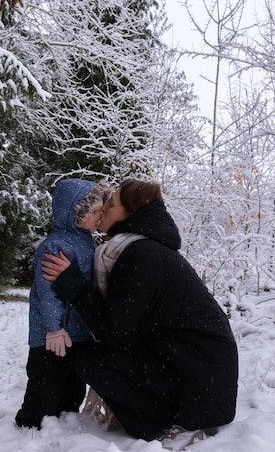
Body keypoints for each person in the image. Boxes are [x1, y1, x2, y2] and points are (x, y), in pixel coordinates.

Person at [41, 178, 239, 450]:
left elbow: (113, 333)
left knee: (91, 359)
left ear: (129, 214)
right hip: (201, 382)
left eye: (111, 203)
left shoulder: (143, 255)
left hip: (199, 393)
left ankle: (165, 425)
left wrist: (74, 285)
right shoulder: (145, 248)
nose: (103, 208)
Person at [15, 177, 114, 430]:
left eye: (99, 210)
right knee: (46, 380)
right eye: (92, 212)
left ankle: (65, 419)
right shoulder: (56, 245)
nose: (98, 216)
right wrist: (53, 327)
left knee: (72, 383)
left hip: (78, 331)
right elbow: (47, 292)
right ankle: (31, 423)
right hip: (52, 335)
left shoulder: (87, 242)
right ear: (73, 214)